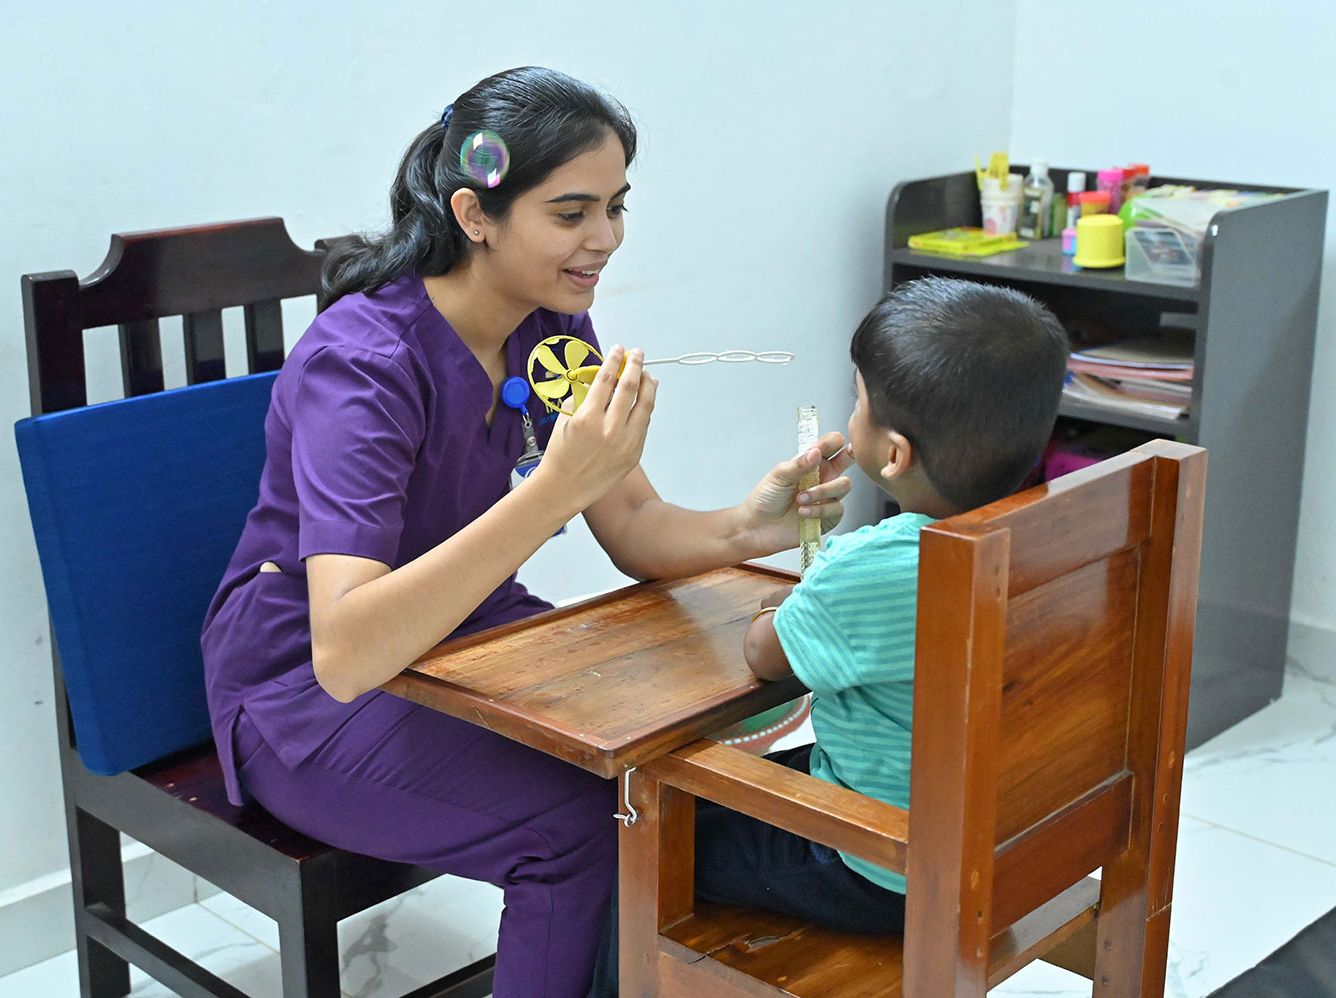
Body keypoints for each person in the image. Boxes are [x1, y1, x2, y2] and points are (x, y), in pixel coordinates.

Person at [199, 66, 850, 998]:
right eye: (571, 213)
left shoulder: (553, 328)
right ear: (475, 215)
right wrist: (552, 493)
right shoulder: (362, 367)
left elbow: (633, 525)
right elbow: (346, 651)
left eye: (616, 207)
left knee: (659, 769)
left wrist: (752, 525)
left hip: (466, 640)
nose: (605, 239)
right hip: (300, 696)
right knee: (580, 827)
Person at [591, 276, 1070, 994]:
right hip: (1010, 838)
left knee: (634, 835)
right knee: (706, 802)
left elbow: (765, 655)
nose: (852, 415)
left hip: (882, 863)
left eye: (859, 401)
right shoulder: (1052, 534)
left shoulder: (881, 566)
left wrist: (795, 602)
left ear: (894, 454)